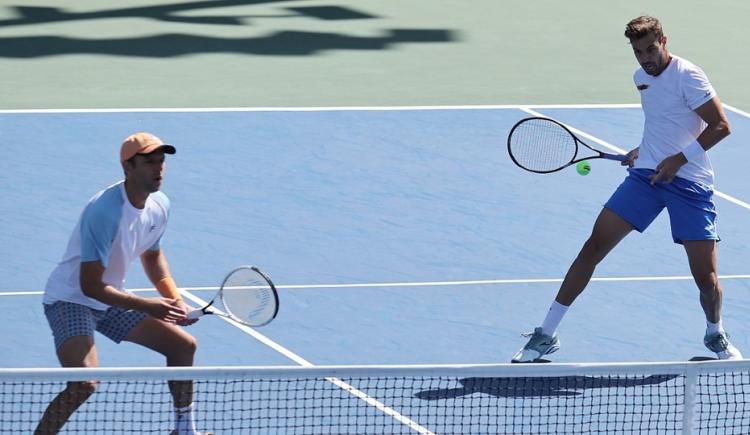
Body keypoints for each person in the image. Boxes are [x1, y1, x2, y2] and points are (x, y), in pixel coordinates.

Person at [512, 15, 741, 363]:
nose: (646, 58)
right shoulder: (641, 79)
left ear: (664, 41)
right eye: (638, 52)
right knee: (593, 247)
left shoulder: (689, 75)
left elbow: (721, 126)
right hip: (647, 179)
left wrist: (678, 160)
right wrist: (643, 152)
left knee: (706, 280)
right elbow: (663, 124)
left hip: (690, 184)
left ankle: (715, 333)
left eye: (651, 49)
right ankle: (546, 334)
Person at [35, 132, 211, 435]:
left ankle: (184, 431)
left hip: (110, 297)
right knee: (84, 384)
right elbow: (90, 286)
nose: (158, 170)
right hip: (71, 299)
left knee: (182, 347)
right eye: (149, 163)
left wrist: (173, 301)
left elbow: (153, 257)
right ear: (127, 168)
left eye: (161, 162)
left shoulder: (160, 205)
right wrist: (150, 307)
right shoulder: (105, 212)